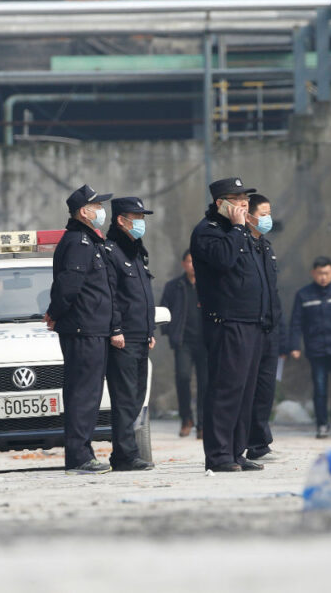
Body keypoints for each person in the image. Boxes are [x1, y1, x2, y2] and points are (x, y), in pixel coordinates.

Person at [190, 177, 271, 473]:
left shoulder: (243, 234)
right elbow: (223, 261)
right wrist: (238, 228)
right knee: (226, 390)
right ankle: (219, 454)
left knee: (246, 391)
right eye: (236, 199)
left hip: (252, 321)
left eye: (245, 198)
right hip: (227, 322)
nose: (243, 203)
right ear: (220, 203)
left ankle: (237, 451)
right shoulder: (208, 232)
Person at [45, 184, 116, 475]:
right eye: (97, 206)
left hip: (92, 327)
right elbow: (69, 285)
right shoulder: (78, 242)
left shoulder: (89, 240)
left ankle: (82, 452)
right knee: (82, 394)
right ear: (84, 212)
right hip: (82, 329)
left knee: (89, 393)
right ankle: (79, 457)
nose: (102, 211)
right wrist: (55, 312)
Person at [103, 196, 157, 472]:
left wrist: (150, 330)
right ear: (121, 220)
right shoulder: (112, 251)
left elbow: (142, 295)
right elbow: (111, 295)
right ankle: (124, 455)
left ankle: (127, 452)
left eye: (142, 218)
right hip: (123, 338)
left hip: (141, 336)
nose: (141, 223)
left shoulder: (135, 251)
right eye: (136, 219)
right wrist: (115, 329)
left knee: (136, 398)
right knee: (124, 399)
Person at [288, 256, 331, 438]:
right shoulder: (304, 295)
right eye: (320, 274)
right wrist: (295, 345)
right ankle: (322, 424)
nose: (323, 277)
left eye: (326, 273)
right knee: (320, 386)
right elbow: (296, 322)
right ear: (313, 273)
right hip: (315, 348)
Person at [244, 194, 287, 462]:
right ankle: (247, 442)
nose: (268, 218)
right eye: (263, 213)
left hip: (270, 327)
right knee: (248, 388)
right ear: (248, 216)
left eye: (270, 212)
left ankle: (259, 443)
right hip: (250, 327)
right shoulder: (242, 245)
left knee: (265, 388)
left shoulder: (266, 247)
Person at [159, 250, 207, 439]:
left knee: (206, 383)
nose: (192, 265)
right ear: (183, 264)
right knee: (183, 378)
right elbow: (165, 309)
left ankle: (203, 424)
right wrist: (169, 332)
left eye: (195, 262)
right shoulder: (174, 286)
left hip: (205, 342)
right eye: (189, 261)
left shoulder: (207, 285)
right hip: (183, 342)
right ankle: (186, 419)